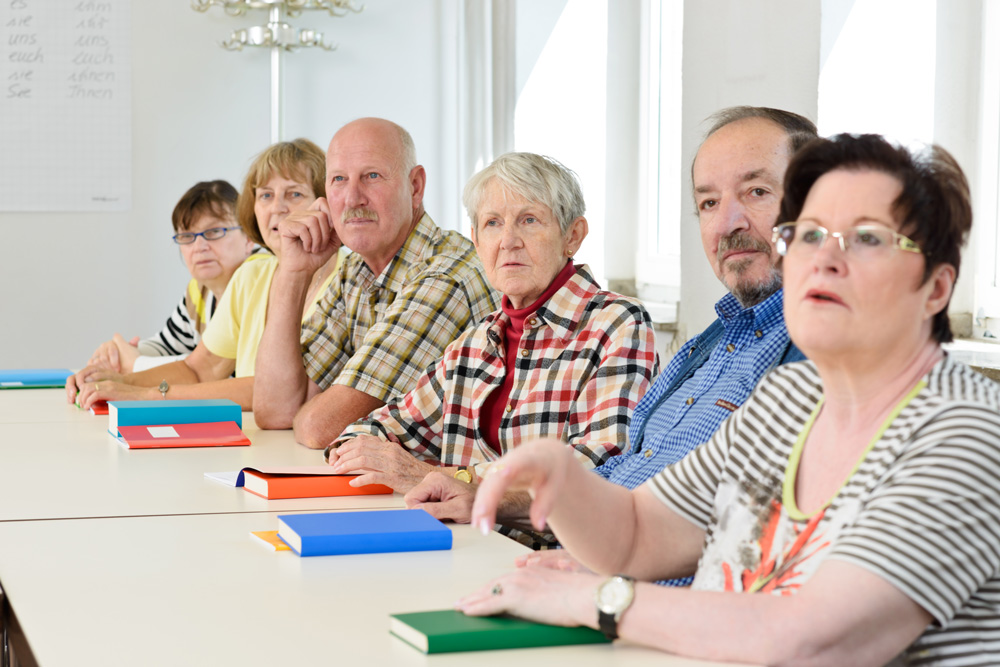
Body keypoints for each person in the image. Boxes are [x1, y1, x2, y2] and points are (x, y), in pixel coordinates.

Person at [458, 134, 1000, 666]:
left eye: (867, 238)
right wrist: (562, 476)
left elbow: (816, 641)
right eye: (808, 235)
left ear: (936, 287)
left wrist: (591, 601)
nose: (825, 259)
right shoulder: (789, 397)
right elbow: (637, 535)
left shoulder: (967, 432)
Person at [407, 107, 814, 550]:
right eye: (709, 203)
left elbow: (727, 540)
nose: (728, 223)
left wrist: (469, 481)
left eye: (756, 191)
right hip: (558, 562)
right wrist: (486, 498)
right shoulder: (706, 347)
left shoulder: (820, 354)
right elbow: (619, 482)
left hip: (610, 587)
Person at [326, 153, 659, 546]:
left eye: (530, 220)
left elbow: (599, 470)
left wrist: (450, 478)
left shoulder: (618, 323)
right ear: (476, 241)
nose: (508, 241)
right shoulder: (476, 342)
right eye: (492, 224)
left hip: (554, 566)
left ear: (573, 235)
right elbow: (369, 432)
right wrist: (365, 454)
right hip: (462, 552)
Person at [251, 118, 499, 444]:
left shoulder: (446, 275)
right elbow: (274, 410)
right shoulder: (356, 269)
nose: (353, 198)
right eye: (339, 179)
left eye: (372, 177)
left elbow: (319, 427)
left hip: (460, 487)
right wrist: (293, 272)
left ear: (415, 187)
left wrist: (313, 405)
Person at [70, 139, 344, 410]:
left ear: (326, 204)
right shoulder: (251, 275)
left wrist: (143, 394)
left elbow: (275, 390)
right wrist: (116, 381)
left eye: (294, 194)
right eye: (266, 195)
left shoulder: (348, 279)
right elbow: (199, 370)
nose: (277, 208)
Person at [77, 180, 254, 375]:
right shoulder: (199, 290)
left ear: (249, 237)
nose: (199, 247)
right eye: (186, 236)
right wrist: (119, 354)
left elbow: (208, 369)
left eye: (213, 232)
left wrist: (136, 363)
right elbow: (167, 346)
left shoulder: (256, 279)